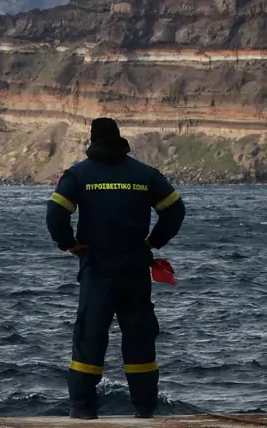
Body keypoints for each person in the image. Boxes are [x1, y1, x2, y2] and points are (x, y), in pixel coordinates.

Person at [46, 118, 187, 420]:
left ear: (93, 140)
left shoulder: (79, 175)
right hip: (135, 269)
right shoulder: (145, 175)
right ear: (120, 139)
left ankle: (83, 409)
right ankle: (145, 409)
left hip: (97, 269)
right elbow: (175, 209)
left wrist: (68, 244)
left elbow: (56, 212)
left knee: (90, 336)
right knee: (139, 337)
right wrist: (153, 242)